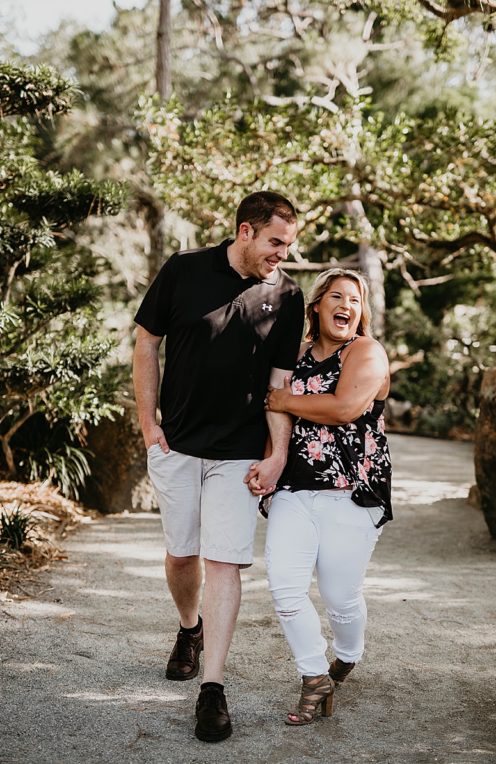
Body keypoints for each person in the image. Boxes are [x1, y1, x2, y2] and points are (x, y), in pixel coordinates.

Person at [132, 191, 305, 741]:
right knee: (182, 555)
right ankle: (190, 629)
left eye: (289, 245)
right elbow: (145, 343)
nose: (283, 254)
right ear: (245, 231)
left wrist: (277, 453)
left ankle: (213, 689)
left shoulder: (288, 294)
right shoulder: (183, 272)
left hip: (240, 454)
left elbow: (281, 383)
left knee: (224, 562)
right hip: (177, 445)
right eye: (276, 242)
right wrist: (147, 423)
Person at [261, 267, 392, 726]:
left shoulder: (367, 352)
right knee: (285, 589)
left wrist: (282, 400)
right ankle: (315, 678)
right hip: (295, 489)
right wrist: (270, 461)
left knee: (340, 597)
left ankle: (348, 655)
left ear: (362, 313)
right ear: (316, 307)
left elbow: (344, 407)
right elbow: (275, 420)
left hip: (353, 492)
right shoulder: (294, 358)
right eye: (336, 297)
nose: (346, 306)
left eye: (355, 300)